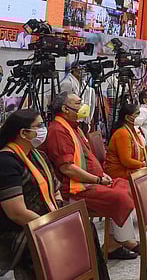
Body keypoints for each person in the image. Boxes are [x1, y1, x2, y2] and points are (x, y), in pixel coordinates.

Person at [0, 110, 111, 280]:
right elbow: (17, 212)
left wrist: (58, 212)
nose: (43, 129)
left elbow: (55, 190)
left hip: (46, 217)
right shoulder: (6, 162)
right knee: (70, 237)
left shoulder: (38, 155)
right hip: (21, 230)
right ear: (23, 133)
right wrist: (51, 226)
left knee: (86, 227)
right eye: (39, 126)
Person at [42, 92, 140, 260]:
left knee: (127, 187)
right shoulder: (58, 130)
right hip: (77, 187)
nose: (83, 106)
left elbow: (87, 158)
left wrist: (102, 175)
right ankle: (125, 240)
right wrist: (97, 179)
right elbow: (67, 168)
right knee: (119, 197)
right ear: (65, 109)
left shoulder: (74, 127)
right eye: (78, 103)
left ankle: (112, 244)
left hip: (93, 180)